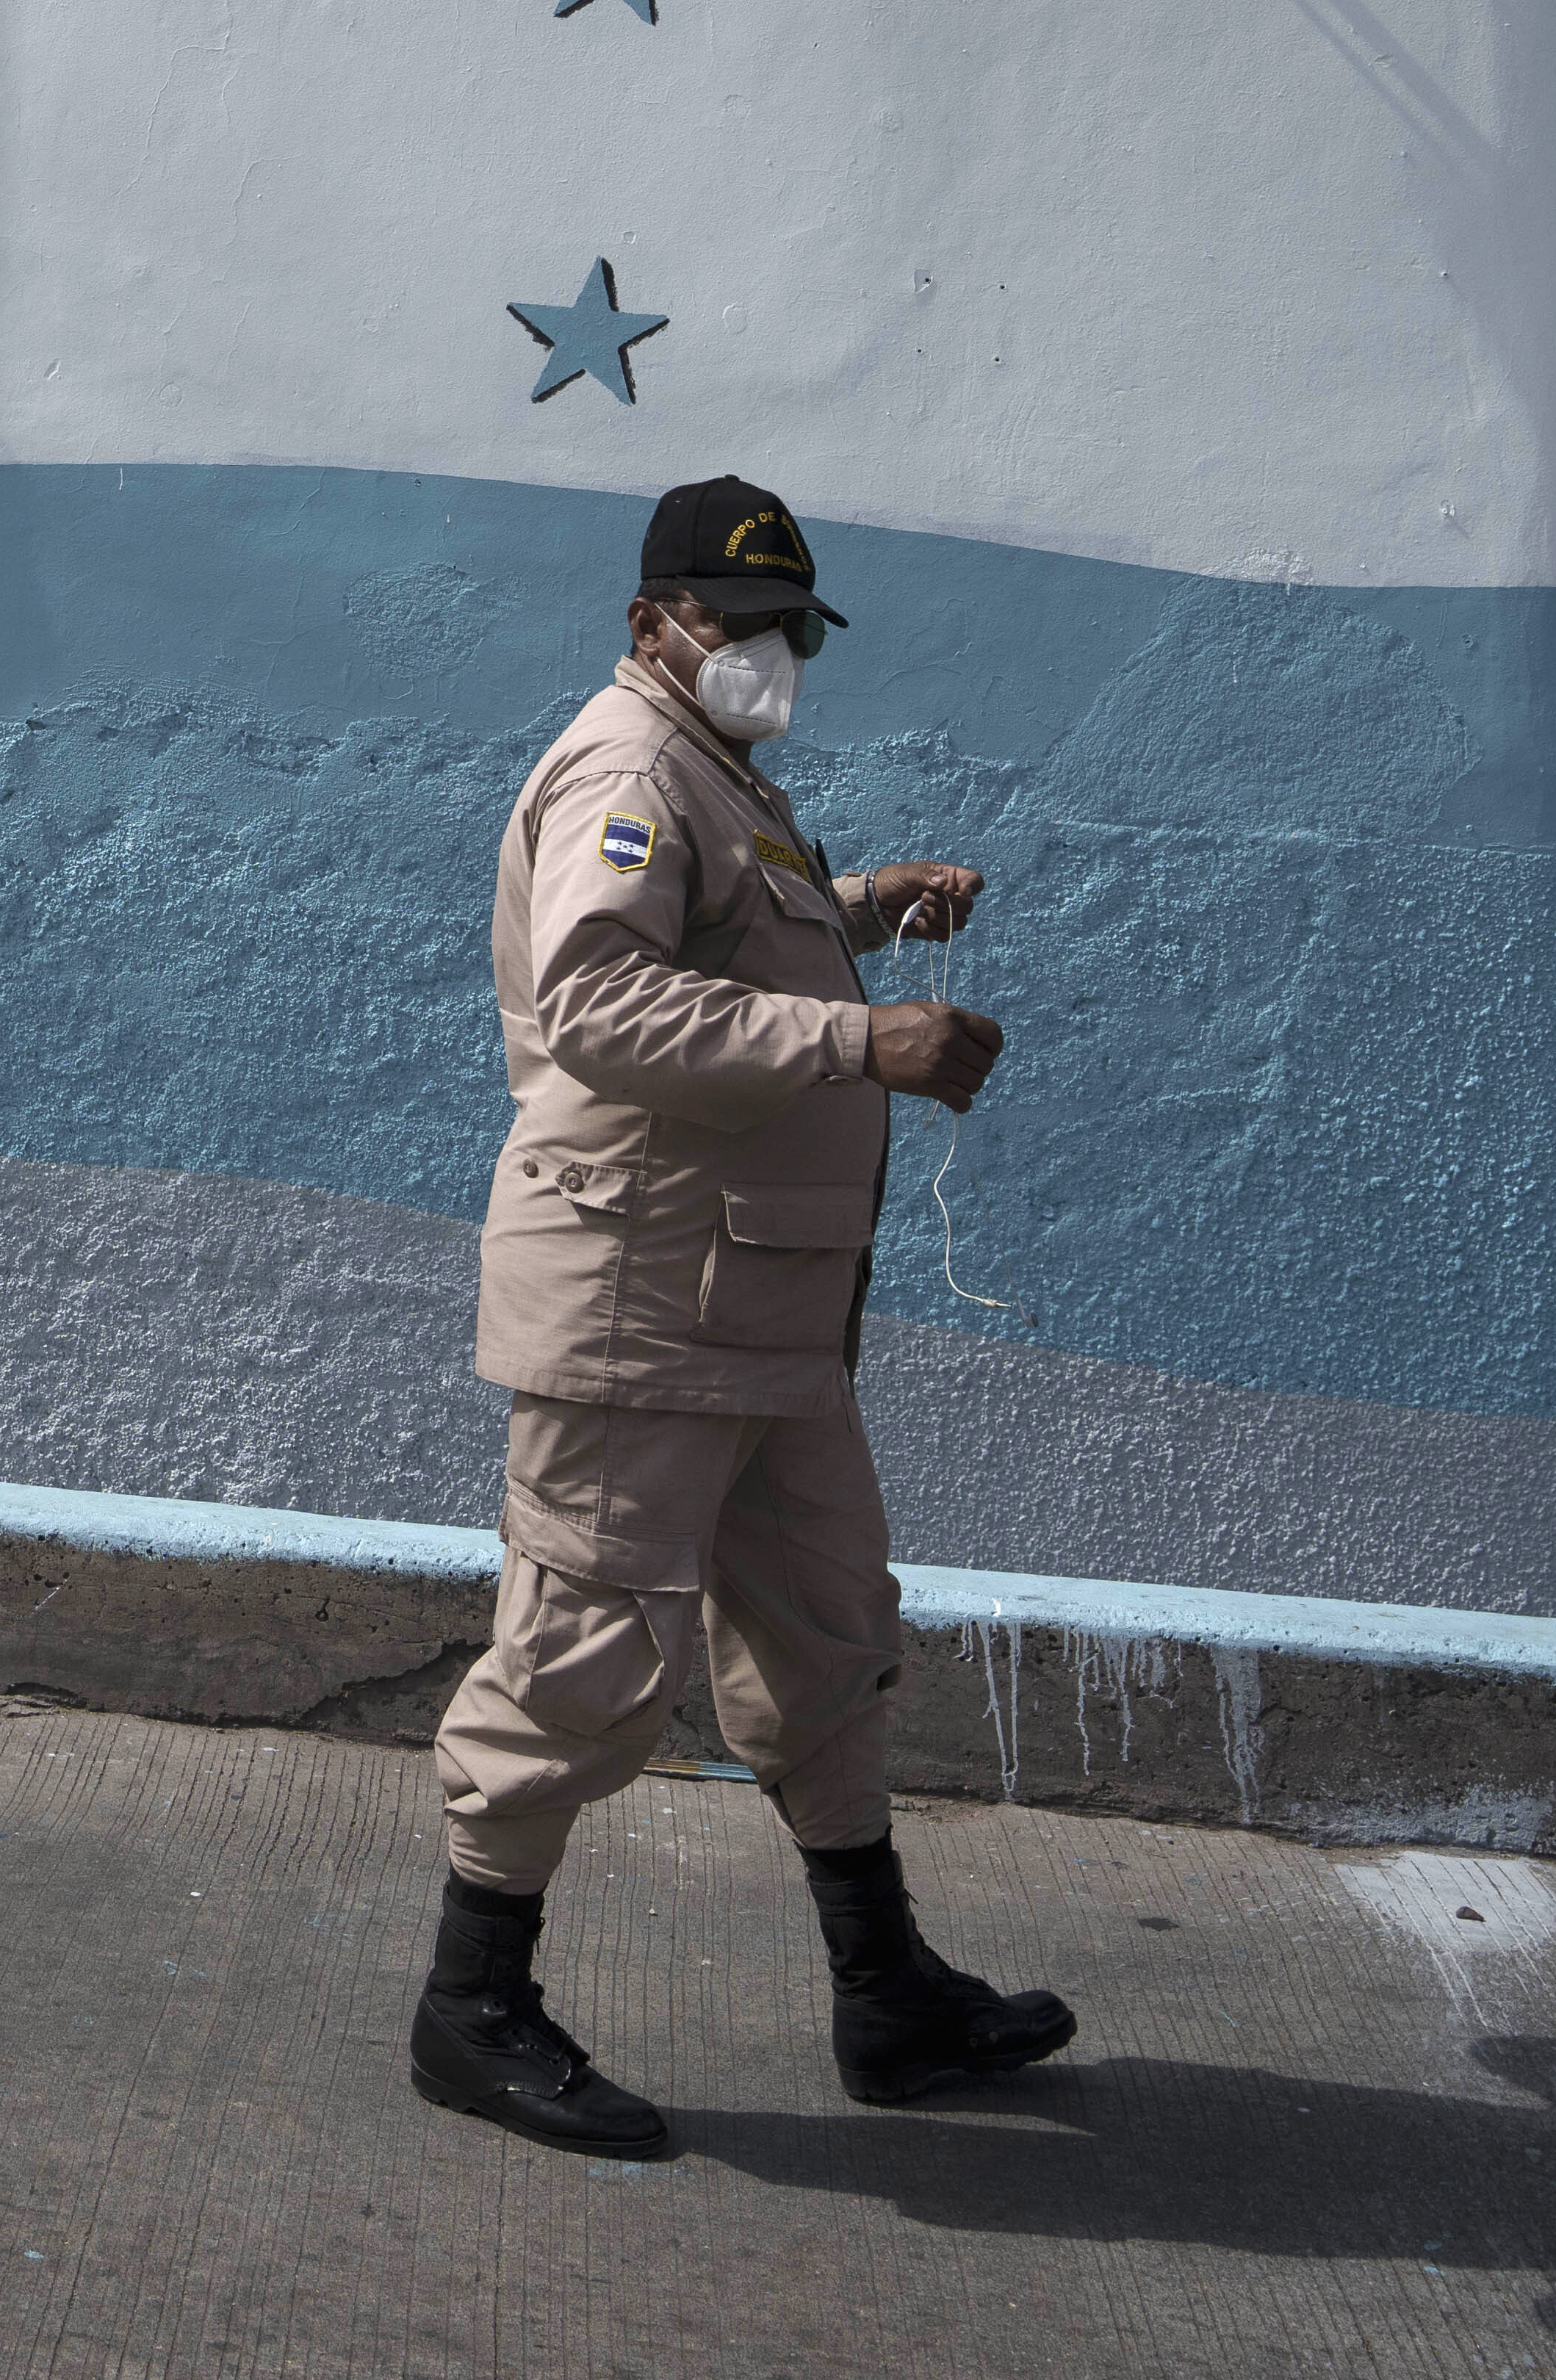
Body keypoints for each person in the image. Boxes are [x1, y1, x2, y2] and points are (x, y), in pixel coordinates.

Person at [406, 473, 1076, 2152]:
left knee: (830, 1642)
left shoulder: (724, 781)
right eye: (739, 621)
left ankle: (885, 1992)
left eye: (792, 628)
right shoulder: (631, 766)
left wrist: (853, 914)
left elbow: (723, 952)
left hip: (762, 1305)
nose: (770, 651)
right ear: (654, 625)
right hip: (642, 1299)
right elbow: (604, 1005)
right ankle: (472, 2008)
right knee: (579, 1657)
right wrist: (867, 1042)